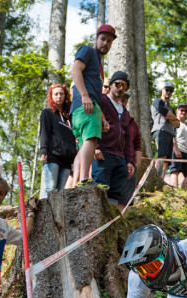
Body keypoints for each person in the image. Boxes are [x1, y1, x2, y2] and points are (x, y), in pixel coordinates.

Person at [70, 24, 116, 185]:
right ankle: (84, 180)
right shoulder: (88, 51)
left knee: (85, 145)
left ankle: (78, 183)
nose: (105, 43)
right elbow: (75, 70)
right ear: (96, 39)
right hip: (85, 106)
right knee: (90, 139)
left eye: (109, 41)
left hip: (87, 108)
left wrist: (102, 117)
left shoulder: (99, 66)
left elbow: (97, 93)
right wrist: (84, 96)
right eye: (103, 39)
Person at [91, 70, 136, 206]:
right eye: (118, 84)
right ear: (110, 85)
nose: (120, 88)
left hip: (120, 158)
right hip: (103, 154)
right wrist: (96, 147)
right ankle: (98, 222)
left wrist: (129, 161)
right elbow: (93, 122)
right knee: (100, 190)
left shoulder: (125, 111)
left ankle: (109, 223)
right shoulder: (101, 101)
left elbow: (127, 140)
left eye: (124, 86)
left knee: (115, 194)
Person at [39, 84, 78, 199]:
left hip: (67, 159)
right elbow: (44, 132)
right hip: (53, 156)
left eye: (61, 94)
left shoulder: (69, 118)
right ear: (51, 96)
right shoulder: (47, 113)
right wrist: (44, 150)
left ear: (65, 96)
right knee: (50, 188)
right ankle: (45, 215)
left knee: (60, 191)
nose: (59, 96)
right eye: (56, 94)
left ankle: (56, 216)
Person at [151, 81, 183, 179]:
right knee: (161, 156)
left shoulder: (171, 107)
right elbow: (164, 112)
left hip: (169, 133)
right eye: (167, 90)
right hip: (160, 131)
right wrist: (171, 117)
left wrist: (170, 116)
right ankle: (156, 179)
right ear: (162, 90)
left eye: (171, 90)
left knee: (166, 161)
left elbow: (177, 124)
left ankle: (160, 180)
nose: (169, 92)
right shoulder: (158, 101)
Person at [120, 92, 143, 201]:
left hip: (130, 164)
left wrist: (137, 163)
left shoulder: (132, 122)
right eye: (119, 100)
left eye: (124, 100)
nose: (121, 103)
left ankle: (122, 218)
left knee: (126, 200)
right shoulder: (106, 117)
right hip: (112, 161)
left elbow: (137, 143)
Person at [170, 103, 187, 189]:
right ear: (177, 110)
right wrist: (175, 149)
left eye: (186, 111)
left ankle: (182, 192)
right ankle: (174, 192)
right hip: (176, 149)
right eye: (182, 110)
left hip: (186, 152)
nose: (183, 112)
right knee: (175, 171)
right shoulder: (173, 122)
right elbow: (171, 136)